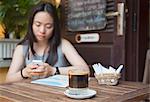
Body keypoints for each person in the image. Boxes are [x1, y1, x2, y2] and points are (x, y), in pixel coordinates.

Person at [6, 2, 89, 83]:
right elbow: (8, 79)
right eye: (38, 25)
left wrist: (53, 70)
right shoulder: (22, 48)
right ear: (31, 24)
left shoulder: (63, 44)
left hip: (57, 95)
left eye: (48, 26)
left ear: (55, 27)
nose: (42, 31)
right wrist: (24, 73)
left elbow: (85, 70)